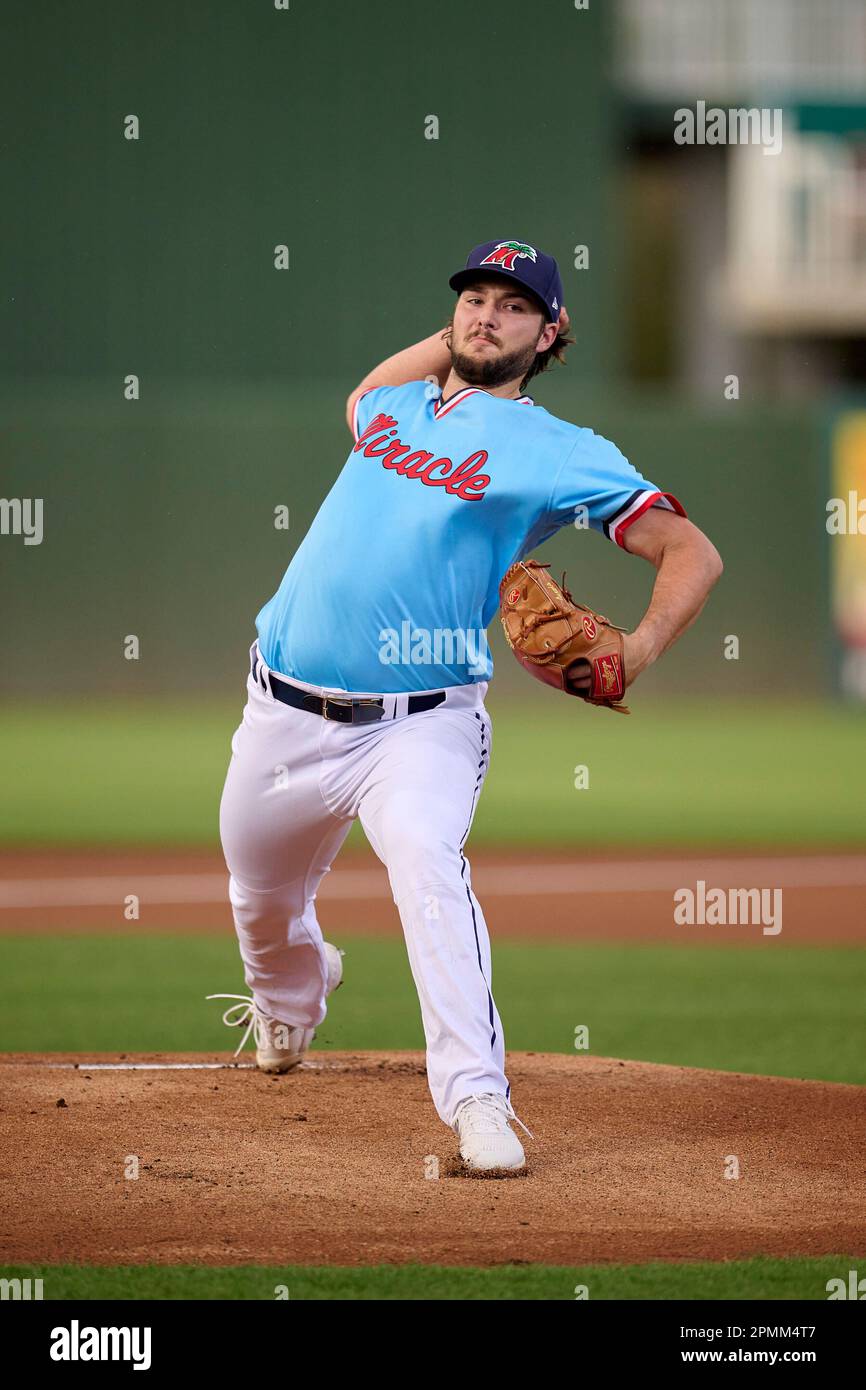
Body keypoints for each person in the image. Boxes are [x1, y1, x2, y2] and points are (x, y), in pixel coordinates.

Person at [210, 238, 723, 1172]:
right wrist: (466, 338)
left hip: (421, 724)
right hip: (280, 714)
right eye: (475, 298)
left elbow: (692, 551)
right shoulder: (391, 407)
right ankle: (290, 1001)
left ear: (551, 331)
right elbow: (380, 379)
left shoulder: (564, 452)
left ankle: (478, 1100)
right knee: (257, 898)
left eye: (515, 305)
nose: (487, 314)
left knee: (427, 873)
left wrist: (637, 651)